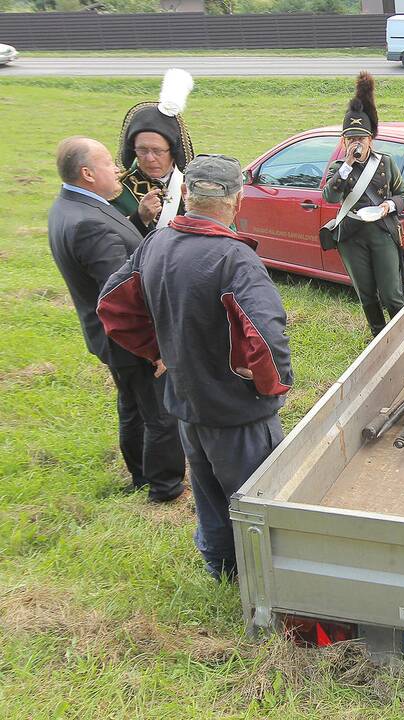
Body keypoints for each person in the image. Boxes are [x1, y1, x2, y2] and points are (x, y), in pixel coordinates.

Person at [98, 155, 292, 581]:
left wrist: (158, 352)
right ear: (237, 202)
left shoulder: (155, 244)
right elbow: (265, 335)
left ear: (186, 194)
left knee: (207, 493)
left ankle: (220, 566)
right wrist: (270, 386)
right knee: (255, 497)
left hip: (186, 403)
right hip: (237, 413)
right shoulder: (235, 260)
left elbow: (112, 305)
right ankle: (265, 580)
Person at [47, 136, 185, 502]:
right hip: (128, 340)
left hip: (108, 337)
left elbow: (116, 250)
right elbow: (123, 296)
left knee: (132, 406)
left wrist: (137, 220)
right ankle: (165, 487)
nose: (118, 169)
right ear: (88, 173)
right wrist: (155, 349)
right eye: (109, 163)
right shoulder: (89, 225)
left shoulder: (71, 206)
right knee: (158, 414)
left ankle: (141, 476)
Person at [323, 72, 404, 337]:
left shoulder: (385, 163)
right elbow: (330, 197)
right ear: (343, 141)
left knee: (392, 294)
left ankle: (401, 336)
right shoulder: (340, 168)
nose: (356, 143)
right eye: (351, 139)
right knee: (366, 294)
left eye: (361, 138)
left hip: (382, 231)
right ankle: (378, 337)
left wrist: (388, 207)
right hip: (351, 235)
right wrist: (348, 166)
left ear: (371, 139)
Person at [110, 68, 195, 237]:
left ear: (173, 150)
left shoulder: (194, 184)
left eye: (158, 151)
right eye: (142, 150)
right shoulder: (119, 190)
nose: (149, 158)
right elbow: (111, 241)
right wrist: (139, 219)